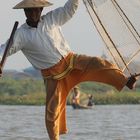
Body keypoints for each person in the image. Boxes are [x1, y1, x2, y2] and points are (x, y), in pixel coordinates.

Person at [0, 0, 137, 139]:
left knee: (100, 64)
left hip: (72, 61)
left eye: (36, 10)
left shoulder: (51, 18)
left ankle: (125, 81)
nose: (33, 13)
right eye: (30, 10)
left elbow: (69, 9)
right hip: (53, 76)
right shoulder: (21, 34)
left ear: (41, 10)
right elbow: (4, 50)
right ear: (25, 12)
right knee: (52, 113)